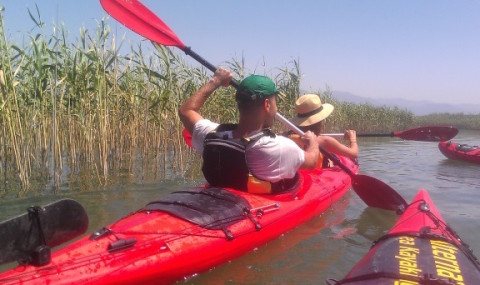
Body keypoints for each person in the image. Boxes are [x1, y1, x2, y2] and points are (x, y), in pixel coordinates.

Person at [179, 68, 320, 194]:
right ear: (267, 105)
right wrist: (313, 142)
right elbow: (312, 161)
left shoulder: (212, 135)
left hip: (214, 199)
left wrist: (215, 81)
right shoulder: (279, 147)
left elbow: (186, 111)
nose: (276, 109)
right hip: (253, 208)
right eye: (275, 101)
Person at [289, 94, 358, 167]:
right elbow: (354, 154)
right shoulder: (325, 141)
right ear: (318, 122)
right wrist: (352, 139)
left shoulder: (288, 136)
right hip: (315, 175)